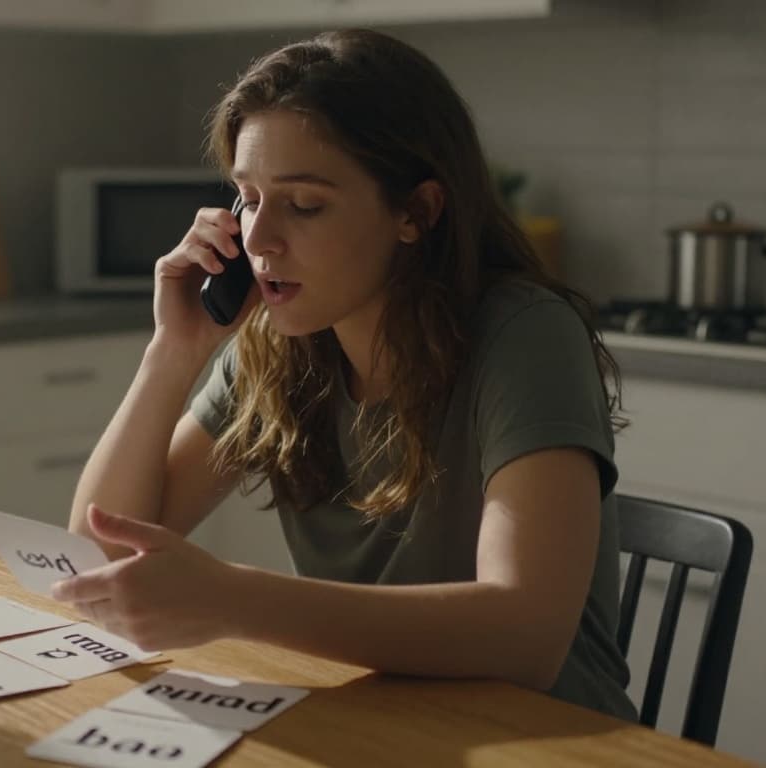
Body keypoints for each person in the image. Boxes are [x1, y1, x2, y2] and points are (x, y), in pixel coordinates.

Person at [54, 28, 637, 721]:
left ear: (415, 212)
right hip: (378, 722)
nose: (261, 241)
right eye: (247, 197)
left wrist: (235, 600)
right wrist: (172, 353)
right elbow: (98, 557)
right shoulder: (278, 344)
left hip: (548, 742)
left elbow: (526, 638)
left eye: (304, 205)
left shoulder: (523, 334)